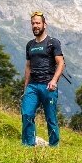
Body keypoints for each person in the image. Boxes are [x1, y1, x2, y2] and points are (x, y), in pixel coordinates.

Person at [21, 11, 64, 146]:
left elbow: (61, 63)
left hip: (48, 85)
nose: (35, 26)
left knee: (50, 118)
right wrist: (25, 87)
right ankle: (28, 144)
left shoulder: (53, 43)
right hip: (32, 86)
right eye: (33, 23)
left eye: (38, 23)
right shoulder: (30, 45)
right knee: (27, 114)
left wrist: (54, 81)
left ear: (45, 24)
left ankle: (54, 145)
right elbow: (28, 66)